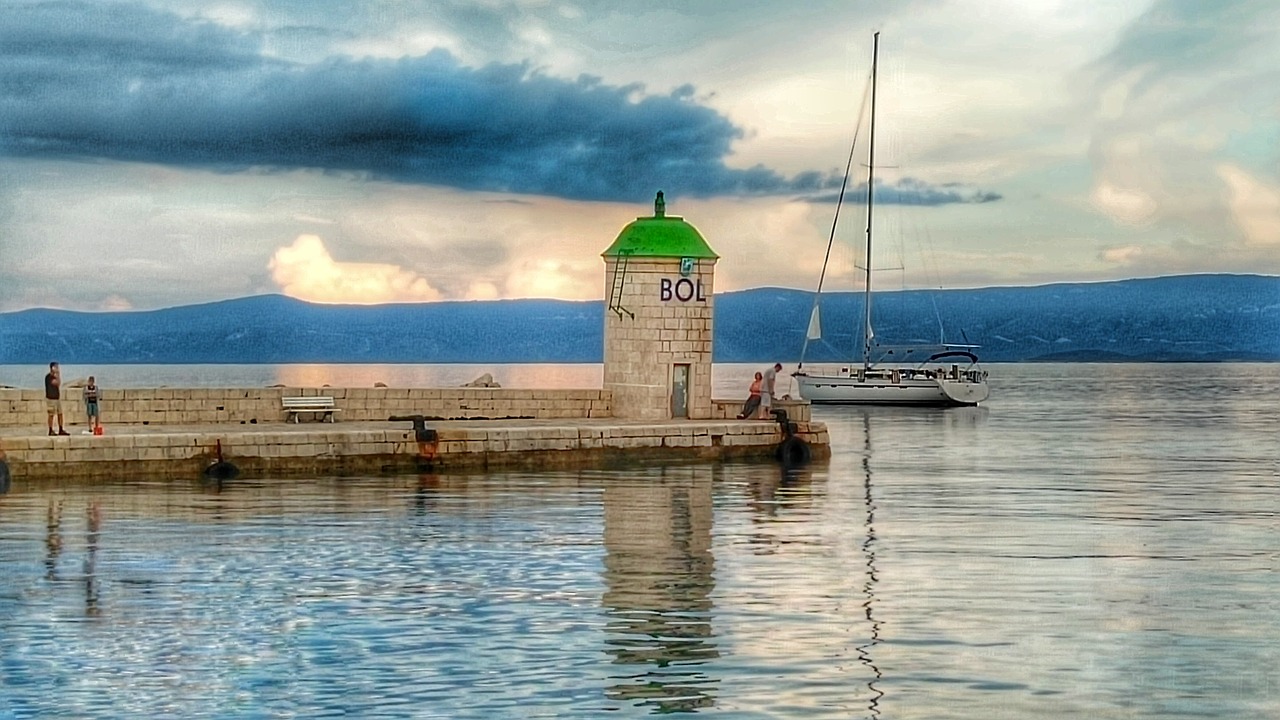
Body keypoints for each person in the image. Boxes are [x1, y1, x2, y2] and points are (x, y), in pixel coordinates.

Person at [45, 362, 69, 436]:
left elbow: (58, 384)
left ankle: (61, 429)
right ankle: (50, 430)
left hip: (57, 398)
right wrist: (58, 375)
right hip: (51, 399)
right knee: (51, 415)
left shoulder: (55, 377)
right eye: (56, 367)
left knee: (60, 413)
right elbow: (56, 383)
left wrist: (57, 375)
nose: (58, 368)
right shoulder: (48, 377)